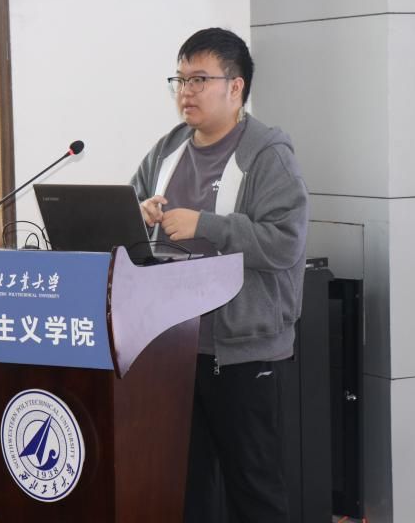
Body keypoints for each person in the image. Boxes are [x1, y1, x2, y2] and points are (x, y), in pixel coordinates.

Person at [131, 27, 308, 523]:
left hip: (242, 352)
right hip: (173, 346)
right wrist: (138, 214)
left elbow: (285, 242)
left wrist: (205, 225)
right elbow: (129, 206)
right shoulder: (168, 149)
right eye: (180, 79)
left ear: (236, 87)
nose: (185, 91)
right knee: (185, 488)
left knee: (253, 491)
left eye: (199, 79)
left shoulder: (267, 155)